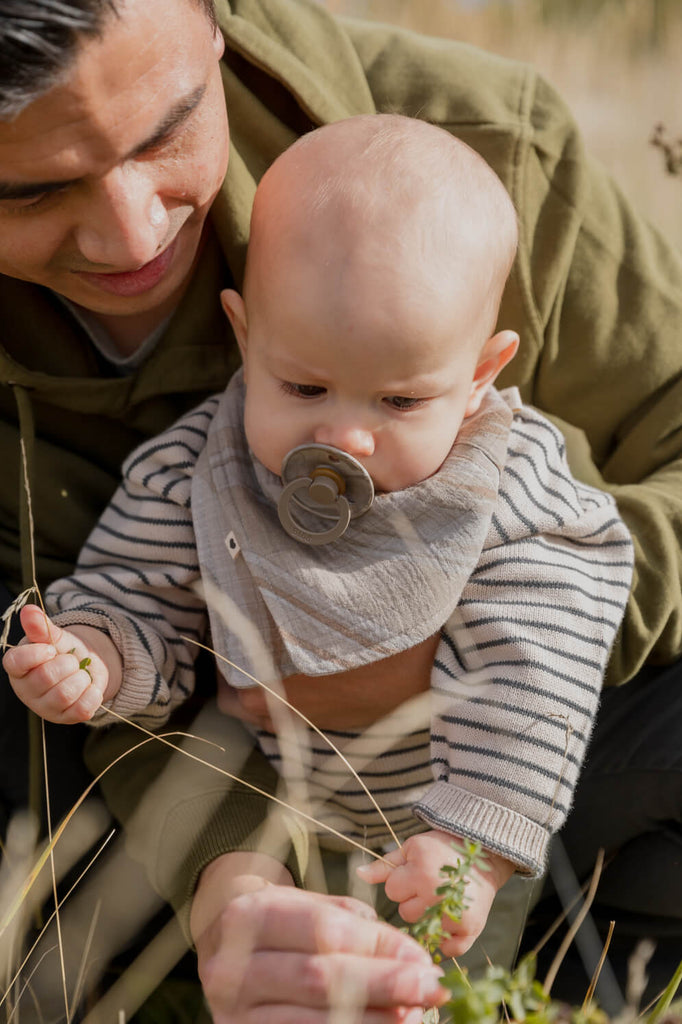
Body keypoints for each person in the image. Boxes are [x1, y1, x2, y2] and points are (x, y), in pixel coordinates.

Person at [0, 0, 679, 1019]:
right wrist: (95, 657)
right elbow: (131, 595)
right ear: (244, 337)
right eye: (34, 189)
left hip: (515, 775)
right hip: (172, 812)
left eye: (170, 126)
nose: (130, 231)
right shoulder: (195, 464)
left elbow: (604, 534)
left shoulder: (486, 157)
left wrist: (457, 629)